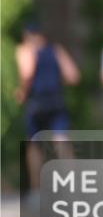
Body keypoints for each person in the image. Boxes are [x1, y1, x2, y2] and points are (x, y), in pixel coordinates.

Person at [15, 20, 80, 193]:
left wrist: (21, 92)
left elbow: (27, 73)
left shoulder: (25, 50)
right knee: (61, 141)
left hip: (36, 104)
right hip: (56, 102)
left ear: (27, 35)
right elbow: (73, 76)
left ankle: (36, 189)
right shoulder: (56, 50)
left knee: (34, 144)